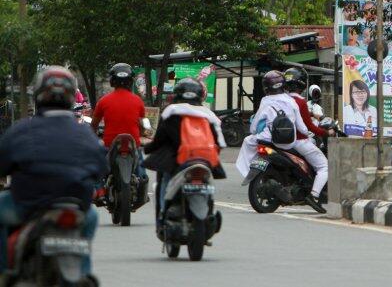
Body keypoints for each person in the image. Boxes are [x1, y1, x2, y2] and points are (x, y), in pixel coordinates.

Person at [0, 66, 107, 276]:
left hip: (28, 204)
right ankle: (83, 274)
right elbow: (101, 168)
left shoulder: (22, 129)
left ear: (38, 96)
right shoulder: (85, 133)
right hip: (76, 206)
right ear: (70, 98)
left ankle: (4, 272)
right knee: (92, 216)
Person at [143, 78, 226, 227]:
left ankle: (163, 213)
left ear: (177, 95)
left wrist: (148, 149)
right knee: (208, 184)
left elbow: (159, 139)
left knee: (165, 182)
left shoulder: (171, 112)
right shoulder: (208, 115)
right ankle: (209, 211)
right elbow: (220, 143)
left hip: (179, 161)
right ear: (200, 95)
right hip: (205, 161)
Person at [91, 63, 149, 203]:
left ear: (112, 81)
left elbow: (94, 124)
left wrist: (92, 136)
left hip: (110, 144)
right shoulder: (138, 101)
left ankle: (99, 191)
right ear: (131, 81)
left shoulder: (103, 101)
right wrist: (142, 133)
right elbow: (142, 124)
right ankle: (142, 191)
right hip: (133, 143)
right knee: (141, 166)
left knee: (97, 164)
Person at [235, 70, 311, 178]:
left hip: (270, 140)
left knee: (248, 141)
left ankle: (247, 172)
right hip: (290, 142)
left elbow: (253, 128)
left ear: (266, 87)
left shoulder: (266, 101)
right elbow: (303, 129)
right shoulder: (292, 101)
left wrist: (256, 131)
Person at [284, 68, 334, 213]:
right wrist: (326, 132)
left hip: (282, 140)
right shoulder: (300, 101)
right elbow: (309, 125)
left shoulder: (282, 99)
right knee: (324, 166)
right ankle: (314, 195)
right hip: (299, 141)